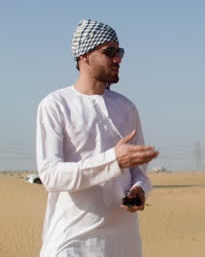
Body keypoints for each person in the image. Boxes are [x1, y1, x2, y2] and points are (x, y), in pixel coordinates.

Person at [36, 19, 158, 257]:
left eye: (119, 51)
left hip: (124, 243)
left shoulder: (127, 108)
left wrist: (139, 190)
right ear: (84, 56)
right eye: (109, 52)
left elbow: (139, 174)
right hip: (72, 241)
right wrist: (113, 160)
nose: (118, 59)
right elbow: (51, 176)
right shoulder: (56, 105)